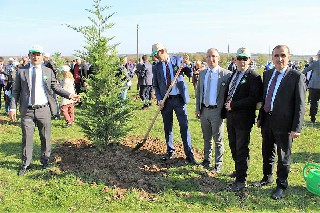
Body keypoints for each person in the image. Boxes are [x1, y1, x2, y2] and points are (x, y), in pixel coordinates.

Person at [9, 45, 80, 176]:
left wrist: (69, 95)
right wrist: (12, 107)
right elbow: (16, 91)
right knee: (27, 138)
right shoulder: (21, 71)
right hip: (27, 111)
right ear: (29, 56)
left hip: (43, 110)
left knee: (45, 137)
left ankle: (45, 161)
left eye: (38, 55)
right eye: (33, 54)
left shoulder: (48, 71)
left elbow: (56, 87)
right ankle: (25, 164)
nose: (36, 57)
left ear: (42, 57)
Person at [256, 45, 306, 200]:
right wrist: (260, 117)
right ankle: (267, 177)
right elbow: (265, 97)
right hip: (267, 121)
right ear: (272, 57)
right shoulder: (268, 73)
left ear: (289, 57)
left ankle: (281, 185)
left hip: (285, 124)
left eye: (283, 55)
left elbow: (300, 104)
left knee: (283, 156)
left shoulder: (296, 77)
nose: (279, 59)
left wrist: (296, 128)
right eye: (276, 55)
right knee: (267, 151)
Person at [222, 47, 263, 191]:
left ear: (249, 60)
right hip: (231, 117)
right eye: (239, 58)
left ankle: (241, 180)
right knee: (233, 145)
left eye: (245, 58)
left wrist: (234, 105)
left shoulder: (254, 77)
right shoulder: (234, 74)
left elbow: (253, 99)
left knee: (241, 148)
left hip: (243, 119)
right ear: (235, 59)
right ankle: (237, 170)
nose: (242, 61)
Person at [151, 43, 197, 164]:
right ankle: (170, 150)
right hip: (165, 101)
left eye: (156, 54)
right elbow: (155, 85)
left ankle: (189, 154)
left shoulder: (177, 60)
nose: (155, 57)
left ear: (161, 51)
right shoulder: (156, 67)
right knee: (168, 127)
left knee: (184, 126)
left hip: (179, 99)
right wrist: (160, 99)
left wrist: (187, 64)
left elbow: (190, 73)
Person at [195, 48, 231, 172]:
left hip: (217, 111)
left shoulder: (226, 74)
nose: (211, 59)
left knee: (218, 139)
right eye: (209, 57)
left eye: (214, 56)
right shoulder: (202, 73)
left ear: (218, 58)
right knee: (206, 137)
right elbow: (199, 91)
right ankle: (206, 159)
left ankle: (218, 164)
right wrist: (197, 108)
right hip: (204, 110)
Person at [302, 51, 320, 123]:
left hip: (314, 86)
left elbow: (305, 71)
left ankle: (313, 118)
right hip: (314, 86)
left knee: (313, 102)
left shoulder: (315, 63)